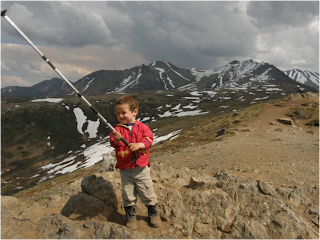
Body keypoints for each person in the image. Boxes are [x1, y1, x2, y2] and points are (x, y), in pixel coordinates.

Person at [110, 94, 161, 230]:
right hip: (125, 169)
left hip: (141, 168)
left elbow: (149, 140)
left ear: (134, 112)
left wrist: (139, 145)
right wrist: (116, 139)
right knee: (127, 193)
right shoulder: (117, 130)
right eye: (118, 113)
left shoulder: (143, 127)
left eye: (123, 112)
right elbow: (114, 144)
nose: (120, 116)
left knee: (147, 191)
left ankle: (153, 211)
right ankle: (130, 215)